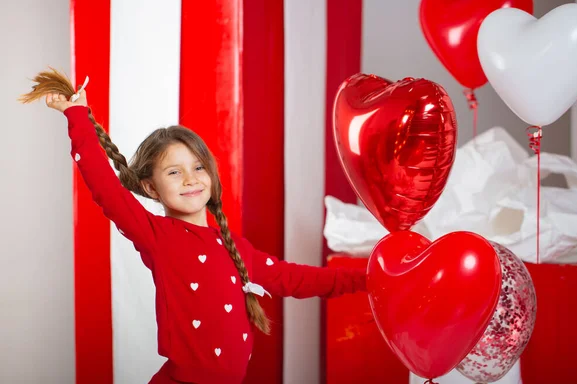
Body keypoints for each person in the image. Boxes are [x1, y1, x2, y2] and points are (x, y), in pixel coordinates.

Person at [20, 69, 366, 384]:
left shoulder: (236, 250)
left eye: (198, 167)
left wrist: (365, 277)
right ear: (151, 188)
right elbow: (105, 187)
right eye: (174, 172)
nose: (190, 179)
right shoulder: (157, 236)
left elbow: (298, 279)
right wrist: (77, 116)